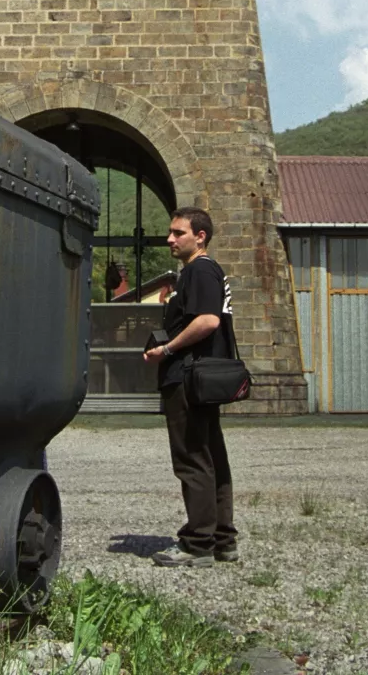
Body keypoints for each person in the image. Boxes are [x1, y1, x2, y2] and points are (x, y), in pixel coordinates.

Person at [142, 207, 237, 567]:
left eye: (178, 233)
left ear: (200, 237)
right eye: (170, 232)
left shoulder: (199, 270)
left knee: (193, 459)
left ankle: (197, 543)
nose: (170, 239)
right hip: (202, 378)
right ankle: (222, 539)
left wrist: (166, 348)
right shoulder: (206, 272)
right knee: (212, 456)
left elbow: (208, 321)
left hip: (187, 377)